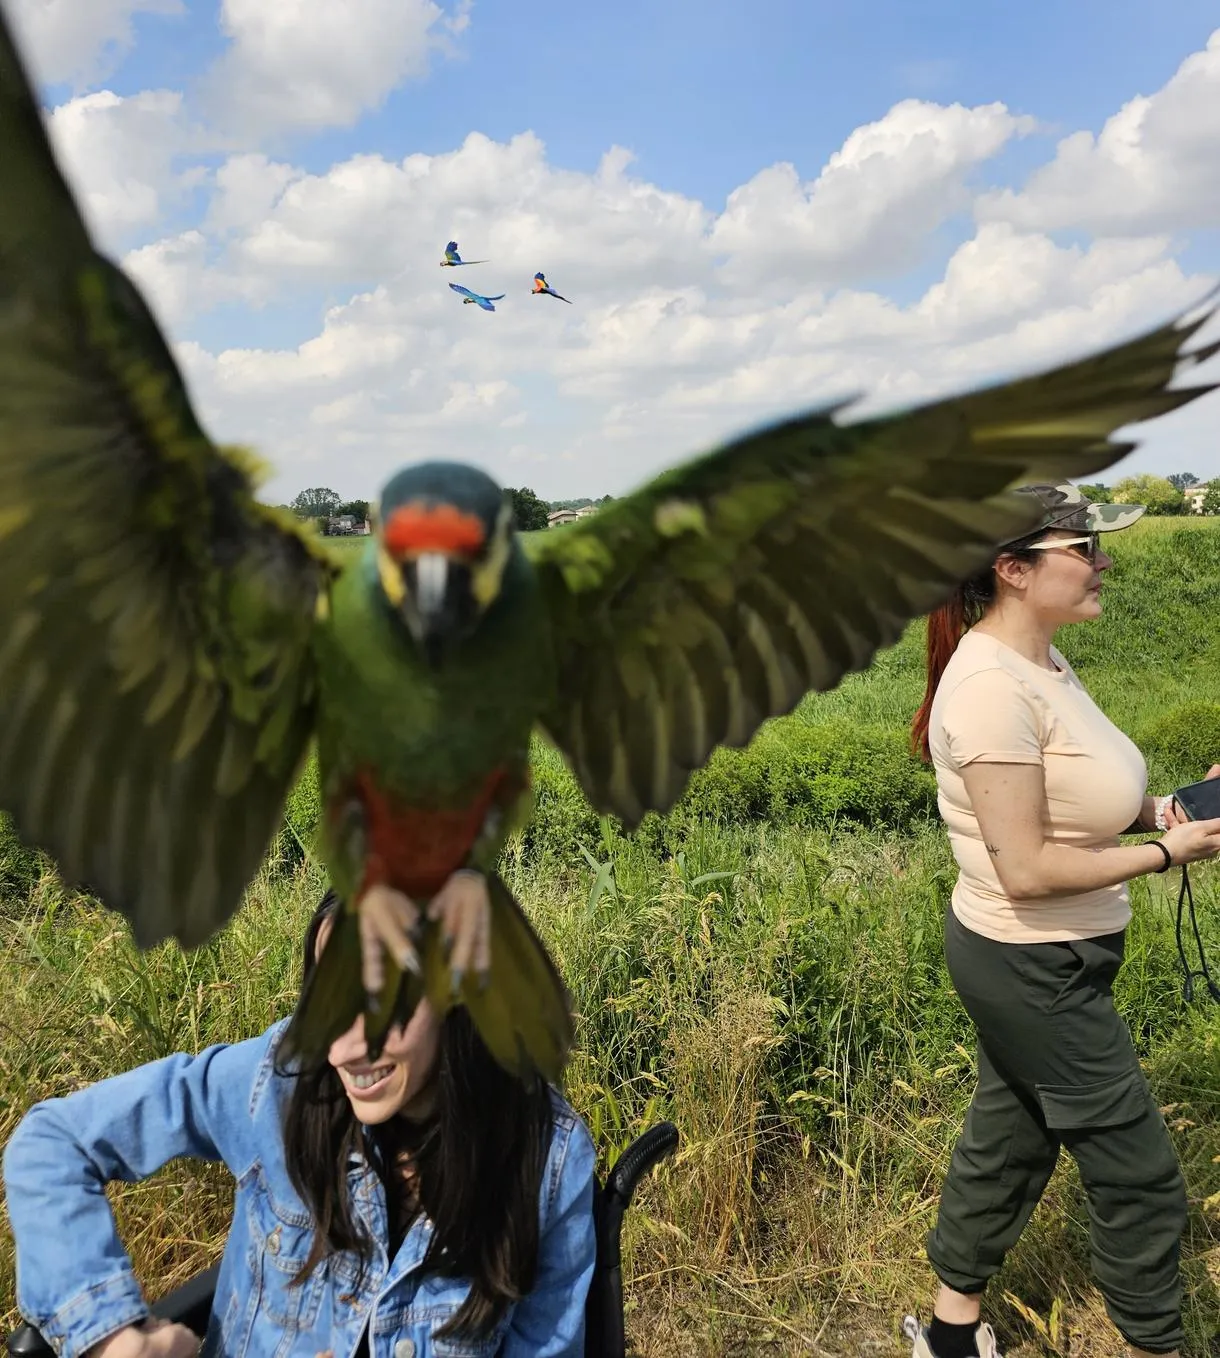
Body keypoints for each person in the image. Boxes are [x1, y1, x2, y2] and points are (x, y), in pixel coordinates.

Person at [3, 888, 597, 1358]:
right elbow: (53, 1141)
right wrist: (111, 1336)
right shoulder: (281, 1082)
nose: (344, 1049)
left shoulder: (548, 1159)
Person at [902, 484, 1220, 1358]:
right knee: (1143, 1176)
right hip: (1034, 964)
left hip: (1046, 957)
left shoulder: (1039, 661)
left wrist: (1168, 810)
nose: (1102, 560)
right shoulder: (990, 690)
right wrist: (1168, 858)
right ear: (1012, 569)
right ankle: (1160, 1344)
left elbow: (1066, 807)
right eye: (1082, 549)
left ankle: (949, 1333)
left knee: (1010, 1140)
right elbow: (1031, 867)